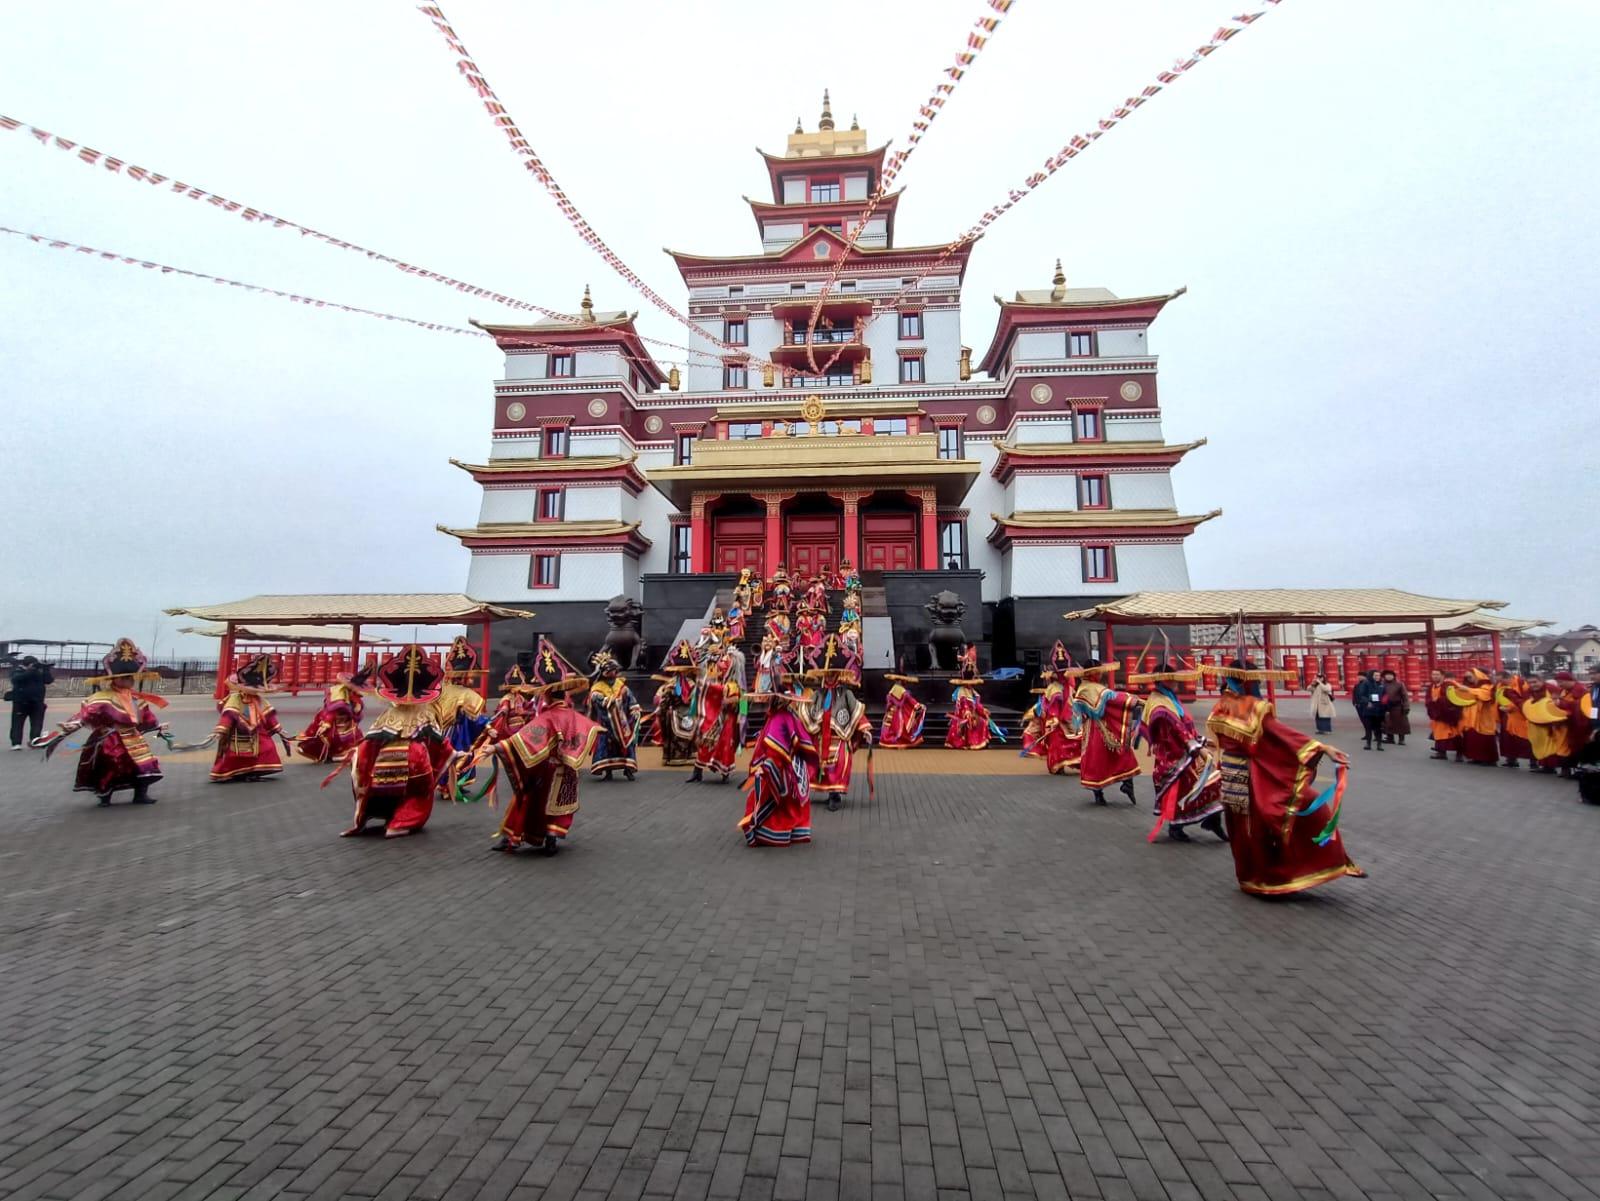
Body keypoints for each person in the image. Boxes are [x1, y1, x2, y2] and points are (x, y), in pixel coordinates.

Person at [1206, 660, 1365, 896]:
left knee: (1243, 828)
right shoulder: (1253, 707)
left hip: (1231, 775)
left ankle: (1250, 877)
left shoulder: (1222, 704)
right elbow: (1282, 735)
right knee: (1297, 812)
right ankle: (1275, 877)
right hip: (1254, 776)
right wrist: (1321, 747)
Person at [476, 639, 600, 855]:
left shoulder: (548, 717)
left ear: (548, 695)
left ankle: (512, 837)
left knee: (527, 800)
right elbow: (589, 731)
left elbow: (524, 738)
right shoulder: (573, 715)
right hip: (568, 769)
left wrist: (496, 748)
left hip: (546, 768)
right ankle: (551, 837)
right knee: (559, 805)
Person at [35, 638, 167, 806]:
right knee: (109, 766)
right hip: (110, 738)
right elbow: (86, 714)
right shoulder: (102, 697)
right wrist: (75, 724)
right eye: (125, 678)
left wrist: (157, 726)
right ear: (114, 679)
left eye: (131, 677)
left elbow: (145, 716)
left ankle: (140, 794)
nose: (129, 681)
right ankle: (105, 796)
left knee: (143, 765)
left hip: (134, 738)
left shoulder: (135, 698)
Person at [341, 645, 452, 838]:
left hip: (385, 759)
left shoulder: (389, 713)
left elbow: (371, 740)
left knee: (380, 788)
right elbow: (438, 741)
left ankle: (379, 815)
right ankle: (401, 822)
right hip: (415, 758)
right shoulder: (425, 713)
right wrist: (453, 753)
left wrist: (360, 758)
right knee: (419, 793)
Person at [1130, 661, 1225, 843]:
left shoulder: (1169, 698)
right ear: (1163, 680)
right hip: (1173, 757)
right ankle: (1177, 826)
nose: (1175, 682)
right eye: (1171, 679)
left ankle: (1212, 820)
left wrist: (1201, 741)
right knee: (1186, 790)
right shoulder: (1159, 704)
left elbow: (1184, 725)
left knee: (1209, 784)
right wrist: (1197, 748)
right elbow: (1177, 729)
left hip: (1185, 753)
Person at [738, 669, 819, 847]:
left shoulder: (779, 718)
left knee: (773, 801)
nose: (768, 701)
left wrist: (767, 766)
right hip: (791, 768)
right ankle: (793, 831)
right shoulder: (786, 716)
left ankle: (773, 832)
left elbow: (776, 749)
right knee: (790, 805)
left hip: (781, 766)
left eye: (771, 699)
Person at [798, 635, 872, 812]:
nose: (830, 677)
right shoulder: (818, 694)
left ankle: (835, 795)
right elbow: (807, 708)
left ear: (838, 675)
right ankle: (825, 791)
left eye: (833, 674)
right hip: (820, 735)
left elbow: (856, 710)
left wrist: (865, 729)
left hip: (839, 736)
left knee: (838, 764)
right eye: (827, 674)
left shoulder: (846, 694)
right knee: (818, 763)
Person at [209, 654, 292, 783]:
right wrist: (221, 730)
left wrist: (279, 729)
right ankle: (235, 772)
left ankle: (254, 771)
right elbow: (228, 714)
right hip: (237, 731)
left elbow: (269, 716)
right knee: (234, 753)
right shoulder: (235, 698)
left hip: (258, 732)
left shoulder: (260, 700)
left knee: (267, 747)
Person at [1071, 662, 1141, 805]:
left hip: (1105, 725)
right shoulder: (1088, 688)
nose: (1101, 674)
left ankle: (1127, 783)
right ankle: (1099, 793)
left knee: (1122, 752)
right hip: (1094, 729)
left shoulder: (1091, 687)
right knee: (1097, 759)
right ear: (1092, 673)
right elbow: (1111, 699)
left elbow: (1111, 698)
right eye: (1098, 672)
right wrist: (1131, 700)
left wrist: (1130, 699)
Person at [296, 655, 375, 763]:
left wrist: (356, 709)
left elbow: (357, 712)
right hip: (334, 721)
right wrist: (327, 723)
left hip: (347, 722)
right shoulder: (339, 693)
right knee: (330, 737)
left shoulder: (355, 697)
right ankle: (327, 753)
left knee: (352, 738)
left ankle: (342, 754)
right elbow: (332, 710)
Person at [1020, 641, 1082, 776]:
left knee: (1076, 740)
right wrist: (1053, 719)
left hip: (1071, 719)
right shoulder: (1054, 689)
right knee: (1057, 743)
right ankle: (1057, 765)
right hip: (1057, 721)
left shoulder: (1068, 687)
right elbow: (1050, 706)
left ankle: (1074, 762)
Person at [688, 649, 741, 784]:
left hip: (728, 718)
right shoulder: (717, 678)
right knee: (705, 740)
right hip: (715, 715)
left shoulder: (734, 684)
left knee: (725, 744)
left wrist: (742, 715)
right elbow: (713, 685)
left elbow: (740, 699)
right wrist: (707, 684)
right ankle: (697, 771)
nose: (721, 666)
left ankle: (725, 772)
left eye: (725, 665)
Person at [586, 649, 641, 781]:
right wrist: (605, 701)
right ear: (603, 673)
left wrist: (634, 709)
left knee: (627, 744)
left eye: (614, 670)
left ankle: (628, 770)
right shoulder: (597, 688)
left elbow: (631, 700)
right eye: (610, 670)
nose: (613, 672)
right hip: (605, 723)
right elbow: (596, 700)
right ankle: (608, 771)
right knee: (606, 745)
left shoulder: (622, 686)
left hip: (622, 722)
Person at [434, 636, 489, 757]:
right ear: (465, 676)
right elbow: (476, 720)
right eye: (471, 676)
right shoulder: (467, 694)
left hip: (436, 734)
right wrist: (488, 725)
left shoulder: (439, 689)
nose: (472, 680)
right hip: (456, 736)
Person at [652, 640, 700, 767]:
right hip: (678, 713)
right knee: (676, 737)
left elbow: (665, 701)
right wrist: (662, 709)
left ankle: (686, 755)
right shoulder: (675, 684)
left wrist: (661, 710)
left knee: (684, 736)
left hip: (686, 713)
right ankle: (677, 757)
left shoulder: (688, 684)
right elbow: (665, 700)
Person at [945, 645, 1000, 751]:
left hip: (973, 713)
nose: (971, 684)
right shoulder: (962, 691)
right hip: (964, 716)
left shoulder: (973, 691)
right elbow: (964, 704)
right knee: (973, 722)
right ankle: (970, 742)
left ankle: (981, 741)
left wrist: (983, 710)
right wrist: (967, 713)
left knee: (983, 721)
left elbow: (977, 704)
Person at [1447, 667, 1498, 765]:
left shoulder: (1487, 686)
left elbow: (1485, 695)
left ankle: (1488, 759)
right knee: (1472, 737)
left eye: (1470, 677)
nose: (1469, 679)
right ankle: (1476, 757)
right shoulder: (1470, 686)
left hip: (1483, 716)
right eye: (1467, 678)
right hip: (1470, 716)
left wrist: (1467, 689)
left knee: (1484, 737)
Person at [1522, 676, 1571, 774]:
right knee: (1541, 743)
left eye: (1535, 682)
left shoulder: (1551, 689)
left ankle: (1560, 768)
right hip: (1537, 721)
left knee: (1555, 745)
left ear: (1541, 681)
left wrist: (1556, 703)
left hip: (1552, 721)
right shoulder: (1529, 691)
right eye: (1530, 683)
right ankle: (1546, 766)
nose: (1532, 685)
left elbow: (1562, 702)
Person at [8, 654, 54, 750]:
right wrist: (30, 671)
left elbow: (48, 680)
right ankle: (16, 743)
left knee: (37, 723)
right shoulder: (17, 670)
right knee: (17, 723)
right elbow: (15, 679)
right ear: (27, 664)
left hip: (37, 702)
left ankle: (35, 740)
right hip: (21, 703)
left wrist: (46, 669)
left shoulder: (38, 672)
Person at [879, 663, 926, 749]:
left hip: (891, 712)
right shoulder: (903, 692)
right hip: (899, 714)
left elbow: (888, 702)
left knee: (890, 727)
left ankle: (888, 741)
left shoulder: (892, 690)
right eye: (905, 681)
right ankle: (900, 742)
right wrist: (919, 706)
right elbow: (911, 701)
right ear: (902, 681)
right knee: (901, 728)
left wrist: (890, 708)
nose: (906, 682)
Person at [1495, 670, 1534, 769]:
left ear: (1509, 678)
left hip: (1521, 714)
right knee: (1507, 737)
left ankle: (1534, 761)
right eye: (1499, 681)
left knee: (1525, 739)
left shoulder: (1521, 683)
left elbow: (1525, 697)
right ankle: (1511, 759)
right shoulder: (1501, 686)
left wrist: (1513, 707)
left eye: (1502, 681)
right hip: (1507, 715)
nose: (1500, 683)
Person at [1424, 669, 1464, 761]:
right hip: (1437, 714)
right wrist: (1431, 702)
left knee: (1455, 734)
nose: (1435, 676)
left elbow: (1454, 698)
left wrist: (1439, 700)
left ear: (1442, 676)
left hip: (1450, 714)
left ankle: (1459, 754)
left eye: (1437, 674)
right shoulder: (1431, 687)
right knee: (1440, 734)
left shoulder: (1449, 685)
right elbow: (1428, 699)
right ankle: (1441, 752)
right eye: (1433, 674)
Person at [1351, 669, 1389, 751]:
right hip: (1369, 708)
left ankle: (1379, 744)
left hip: (1379, 708)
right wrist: (1367, 702)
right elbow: (1362, 695)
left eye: (1378, 675)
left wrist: (1384, 701)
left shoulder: (1382, 685)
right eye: (1375, 675)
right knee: (1368, 727)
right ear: (1371, 676)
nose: (1377, 677)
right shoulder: (1366, 684)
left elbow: (1385, 695)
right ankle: (1368, 743)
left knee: (1378, 727)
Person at [1380, 669, 1411, 746]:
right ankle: (1390, 738)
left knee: (1401, 723)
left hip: (1398, 707)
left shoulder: (1399, 684)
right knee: (1387, 723)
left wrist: (1406, 706)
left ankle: (1401, 740)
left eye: (1390, 675)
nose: (1389, 676)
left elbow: (1405, 696)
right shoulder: (1381, 684)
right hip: (1386, 707)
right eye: (1387, 675)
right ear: (1384, 676)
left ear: (1394, 676)